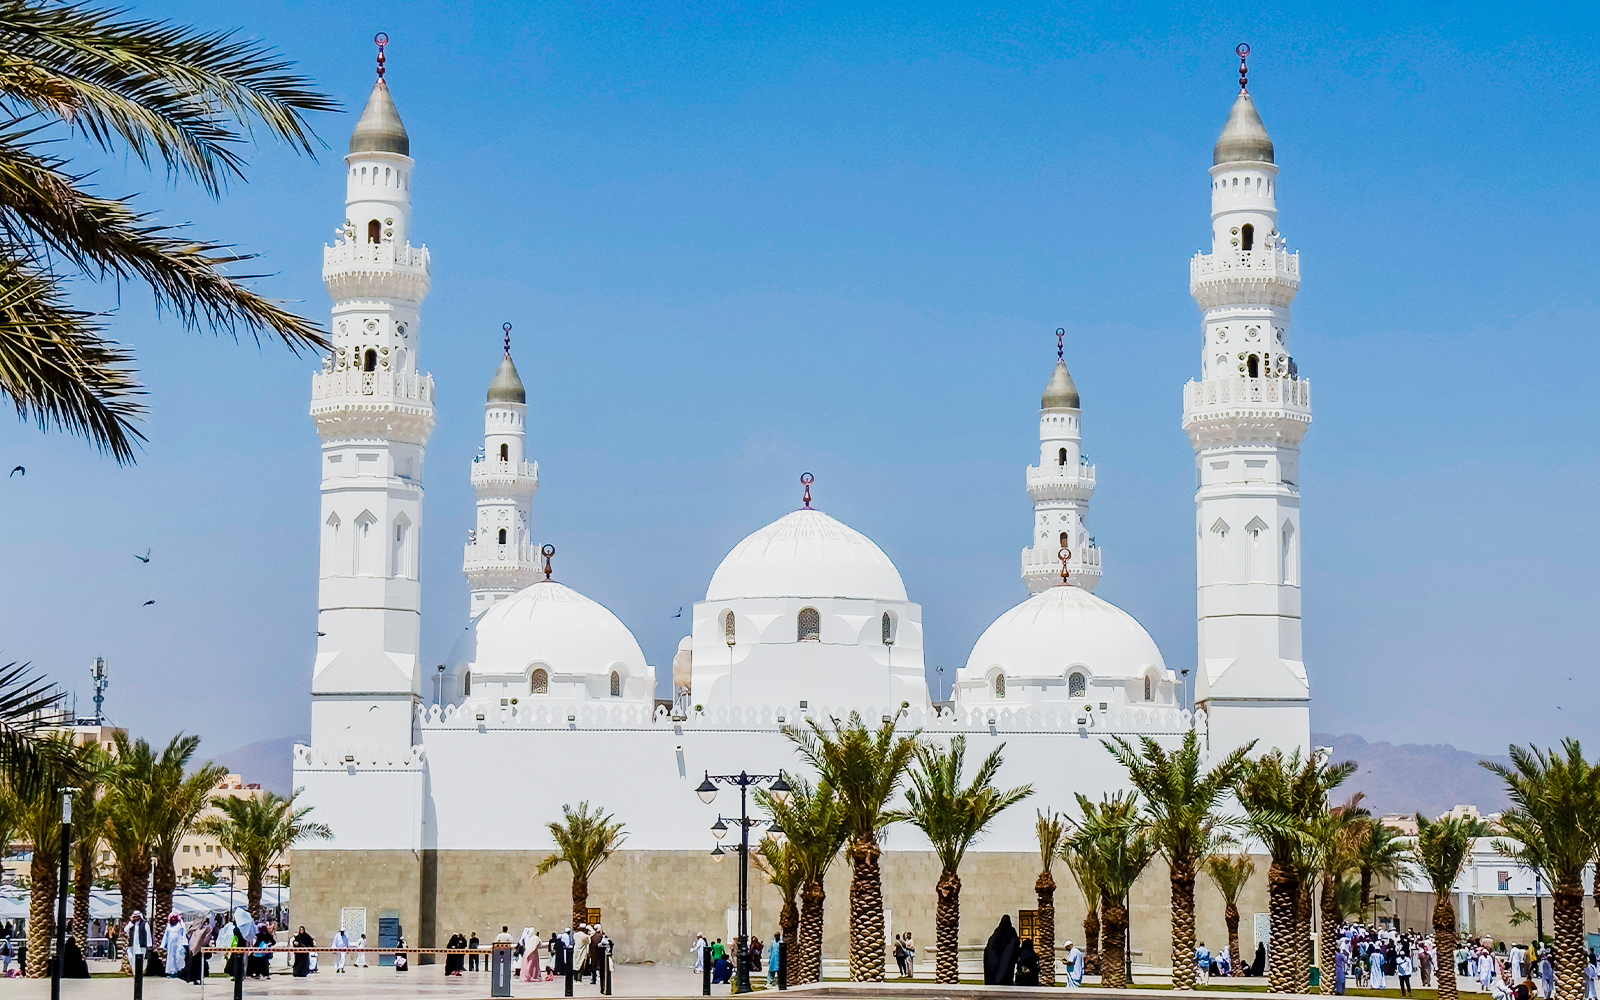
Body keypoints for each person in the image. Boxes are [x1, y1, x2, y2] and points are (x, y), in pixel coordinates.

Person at [983, 915, 1019, 986]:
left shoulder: (996, 934)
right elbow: (1015, 946)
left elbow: (988, 949)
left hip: (994, 968)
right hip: (1007, 971)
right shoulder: (1011, 933)